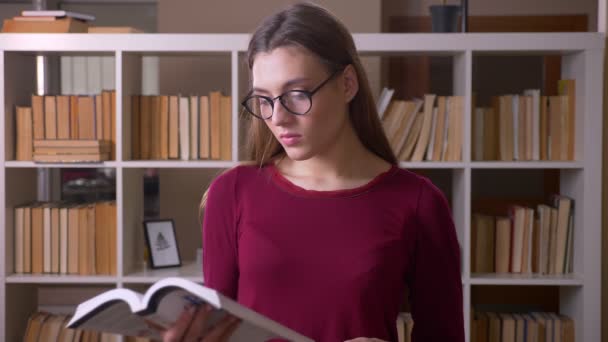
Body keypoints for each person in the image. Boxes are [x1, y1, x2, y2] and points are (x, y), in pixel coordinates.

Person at [161, 2, 464, 342]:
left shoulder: (418, 202)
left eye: (296, 94)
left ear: (348, 84)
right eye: (264, 99)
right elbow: (218, 333)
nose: (277, 117)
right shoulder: (231, 192)